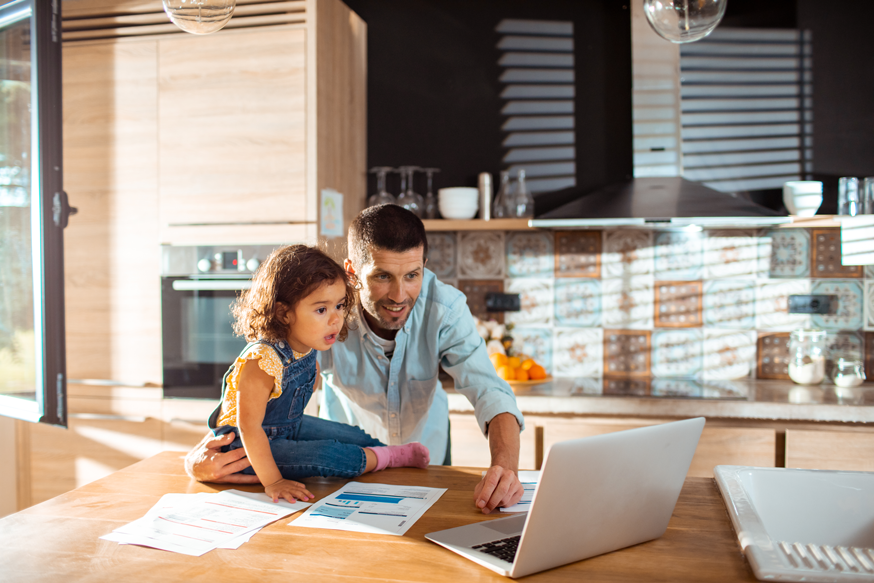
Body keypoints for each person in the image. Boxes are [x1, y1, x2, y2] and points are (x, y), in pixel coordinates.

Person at [186, 205, 525, 513]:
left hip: (427, 459)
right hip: (340, 477)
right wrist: (196, 459)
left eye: (412, 275)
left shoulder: (446, 309)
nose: (399, 295)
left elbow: (489, 391)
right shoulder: (325, 311)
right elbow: (247, 405)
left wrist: (506, 467)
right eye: (382, 276)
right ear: (352, 271)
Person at [206, 244, 430, 504]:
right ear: (284, 313)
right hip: (245, 446)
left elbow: (299, 396)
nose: (336, 319)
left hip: (287, 429)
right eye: (321, 309)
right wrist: (274, 481)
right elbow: (249, 427)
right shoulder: (262, 361)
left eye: (339, 305)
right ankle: (389, 458)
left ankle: (387, 457)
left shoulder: (307, 344)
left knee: (354, 436)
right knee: (326, 455)